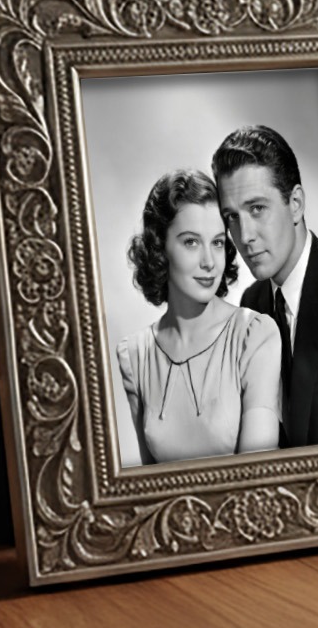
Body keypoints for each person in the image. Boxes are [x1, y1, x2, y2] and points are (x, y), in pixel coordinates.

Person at [213, 123, 318, 446]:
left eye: (257, 209)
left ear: (296, 203)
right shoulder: (252, 303)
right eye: (232, 217)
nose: (244, 236)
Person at [112, 168, 283, 467]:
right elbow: (134, 484)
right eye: (191, 242)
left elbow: (260, 476)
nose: (209, 262)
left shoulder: (254, 335)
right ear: (160, 248)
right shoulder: (134, 357)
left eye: (217, 242)